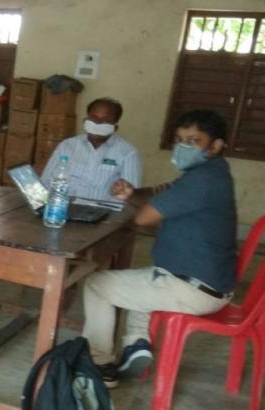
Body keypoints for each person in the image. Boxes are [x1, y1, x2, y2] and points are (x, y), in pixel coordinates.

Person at [82, 109, 237, 387]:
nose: (183, 147)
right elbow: (157, 197)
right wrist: (131, 194)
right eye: (179, 140)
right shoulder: (212, 173)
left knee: (96, 283)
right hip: (204, 282)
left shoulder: (201, 180)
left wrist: (139, 204)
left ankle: (99, 363)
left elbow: (145, 218)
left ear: (215, 146)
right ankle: (136, 345)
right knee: (141, 278)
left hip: (191, 288)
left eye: (193, 141)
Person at [40, 97, 142, 202]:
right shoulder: (67, 146)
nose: (98, 123)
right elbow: (45, 182)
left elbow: (130, 196)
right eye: (94, 118)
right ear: (85, 121)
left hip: (106, 214)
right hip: (63, 208)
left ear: (115, 127)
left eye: (105, 120)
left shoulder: (128, 153)